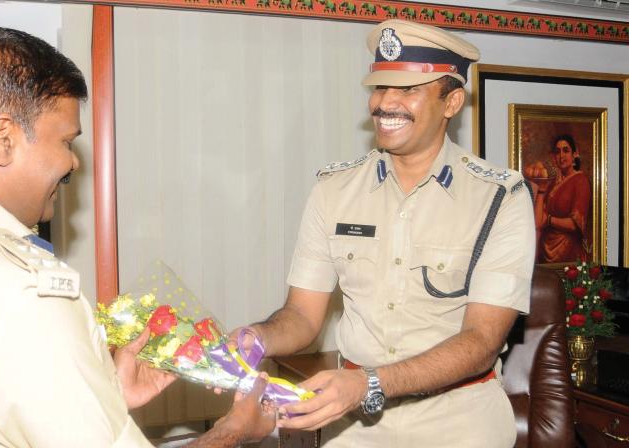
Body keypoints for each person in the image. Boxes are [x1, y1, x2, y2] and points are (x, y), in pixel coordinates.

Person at [0, 27, 274, 447]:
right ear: (3, 139)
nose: (73, 163)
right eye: (66, 141)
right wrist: (234, 431)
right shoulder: (17, 295)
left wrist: (104, 395)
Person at [231, 19, 535, 447]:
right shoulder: (333, 191)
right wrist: (257, 337)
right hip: (355, 424)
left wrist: (371, 383)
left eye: (408, 90)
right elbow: (302, 315)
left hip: (460, 423)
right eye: (379, 88)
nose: (385, 103)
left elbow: (482, 341)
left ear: (451, 102)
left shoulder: (499, 197)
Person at [525, 135, 591, 263]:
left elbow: (575, 224)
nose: (561, 156)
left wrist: (549, 220)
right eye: (557, 151)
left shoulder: (581, 181)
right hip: (545, 253)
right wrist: (541, 188)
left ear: (575, 154)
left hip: (569, 254)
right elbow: (538, 221)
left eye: (566, 150)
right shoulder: (551, 183)